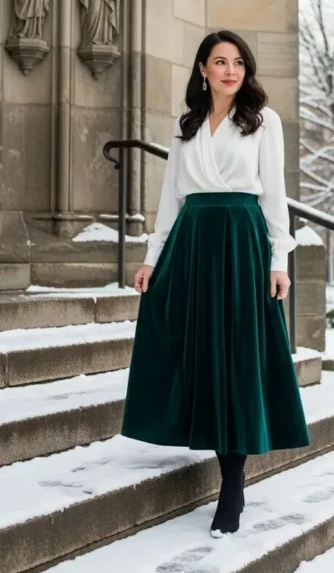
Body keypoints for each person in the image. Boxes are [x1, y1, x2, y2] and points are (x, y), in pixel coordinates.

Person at [121, 32, 311, 538]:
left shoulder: (262, 121)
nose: (231, 70)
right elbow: (171, 200)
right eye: (220, 62)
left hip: (242, 242)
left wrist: (278, 259)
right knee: (199, 354)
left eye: (239, 62)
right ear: (202, 68)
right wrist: (151, 258)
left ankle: (233, 483)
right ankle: (219, 460)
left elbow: (275, 195)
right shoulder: (184, 127)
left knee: (238, 359)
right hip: (192, 243)